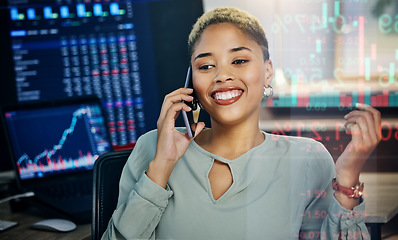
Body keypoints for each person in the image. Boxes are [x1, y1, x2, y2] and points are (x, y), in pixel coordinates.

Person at [102, 7, 381, 240]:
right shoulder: (152, 146)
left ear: (267, 72)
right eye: (206, 66)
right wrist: (161, 166)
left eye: (238, 60)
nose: (222, 75)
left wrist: (347, 180)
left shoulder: (308, 158)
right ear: (191, 83)